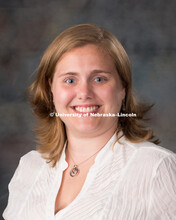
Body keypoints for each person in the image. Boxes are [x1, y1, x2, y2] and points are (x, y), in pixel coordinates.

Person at [3, 24, 176, 220]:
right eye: (70, 80)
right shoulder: (30, 167)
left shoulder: (156, 168)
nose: (84, 93)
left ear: (123, 89)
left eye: (99, 79)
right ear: (51, 89)